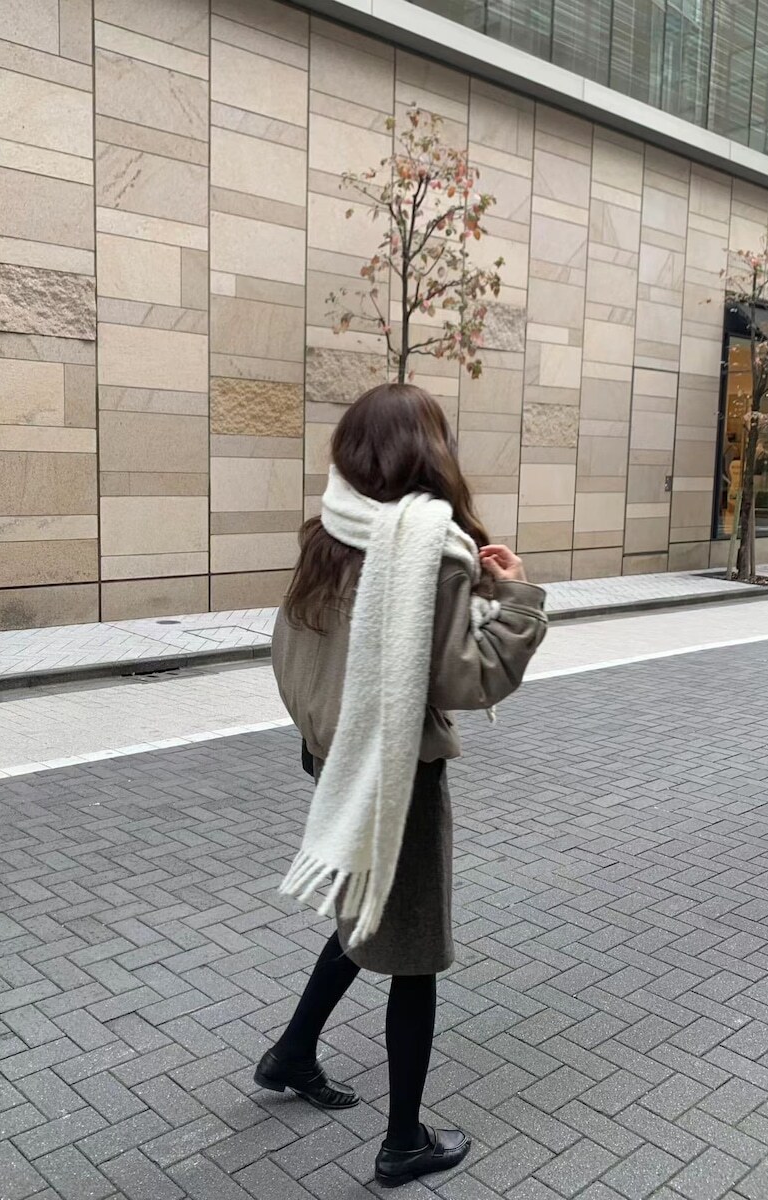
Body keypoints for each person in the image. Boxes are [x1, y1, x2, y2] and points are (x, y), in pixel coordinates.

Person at [253, 383, 548, 1188]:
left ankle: (291, 1054)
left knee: (367, 907)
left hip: (336, 755)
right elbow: (468, 678)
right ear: (430, 449)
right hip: (394, 772)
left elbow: (289, 649)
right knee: (414, 954)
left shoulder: (330, 531)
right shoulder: (429, 548)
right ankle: (403, 1142)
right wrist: (517, 599)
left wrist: (324, 733)